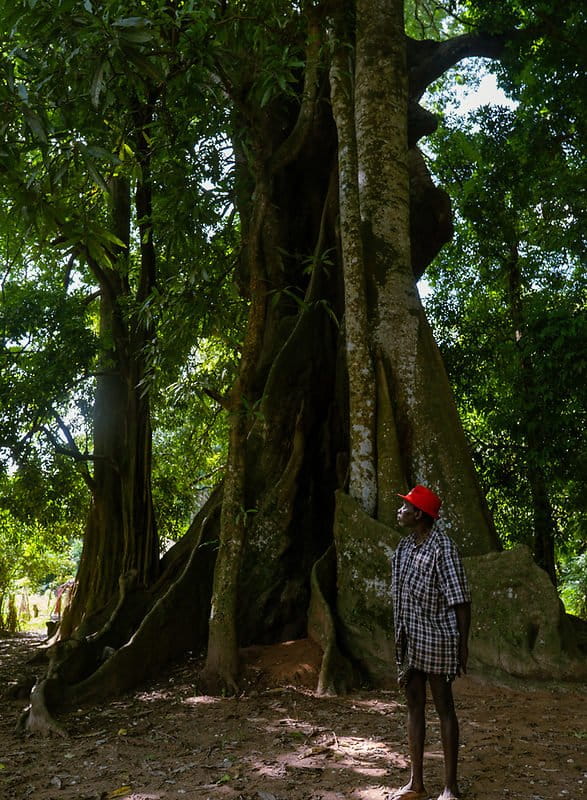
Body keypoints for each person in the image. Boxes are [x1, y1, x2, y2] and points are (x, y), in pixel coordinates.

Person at [390, 485, 471, 800]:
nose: (400, 511)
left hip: (437, 639)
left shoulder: (442, 547)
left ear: (419, 514)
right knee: (413, 706)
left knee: (444, 707)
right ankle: (417, 782)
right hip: (410, 639)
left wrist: (463, 645)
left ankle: (451, 787)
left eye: (406, 507)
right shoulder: (405, 547)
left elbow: (460, 600)